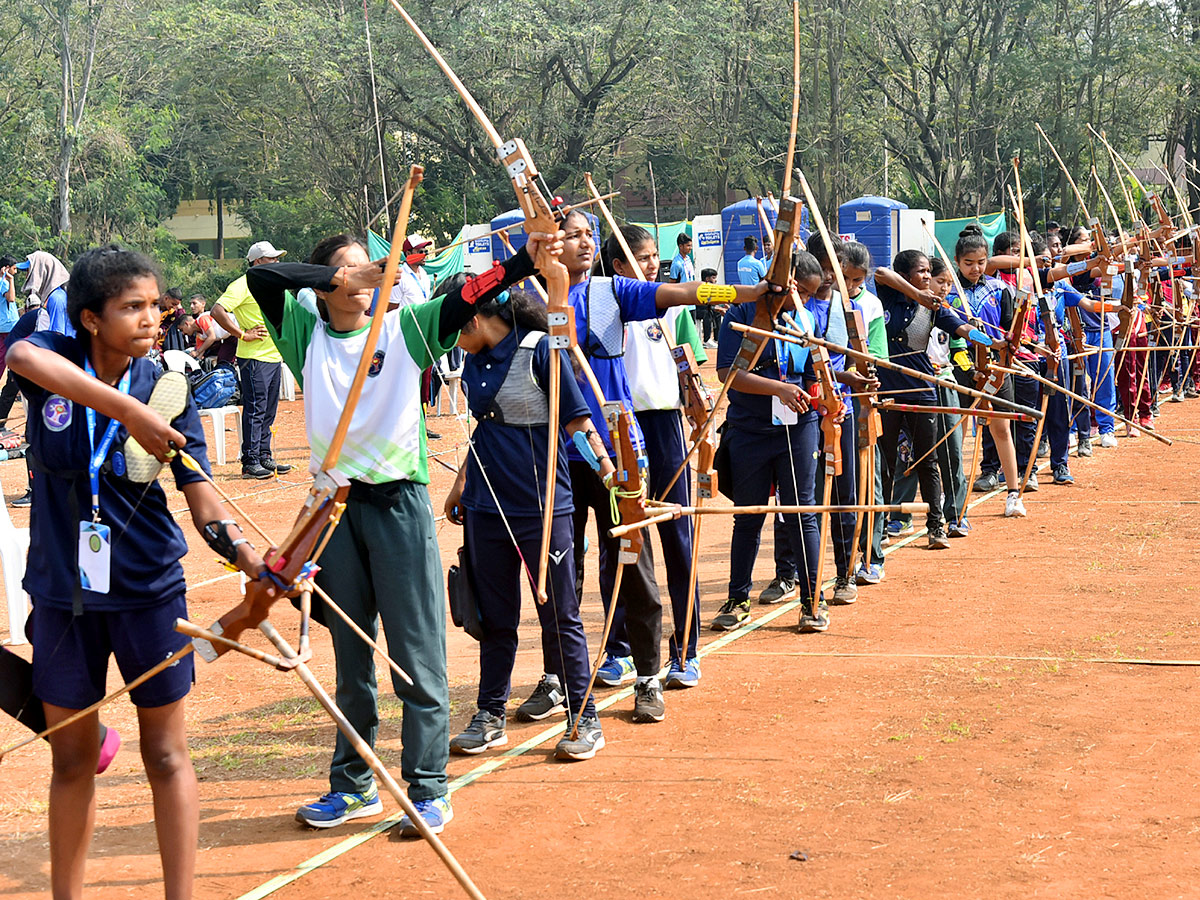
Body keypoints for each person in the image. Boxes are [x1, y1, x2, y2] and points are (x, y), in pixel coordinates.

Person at [245, 230, 560, 835]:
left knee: (416, 654)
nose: (368, 279)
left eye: (372, 268)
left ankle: (428, 789)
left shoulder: (403, 328)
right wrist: (339, 280)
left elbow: (470, 295)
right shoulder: (305, 333)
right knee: (350, 658)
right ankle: (354, 786)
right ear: (325, 285)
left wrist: (522, 261)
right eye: (350, 271)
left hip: (398, 504)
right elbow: (263, 276)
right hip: (333, 510)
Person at [7, 244, 270, 900]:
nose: (152, 318)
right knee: (71, 760)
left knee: (165, 754)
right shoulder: (57, 362)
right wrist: (126, 411)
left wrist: (245, 555)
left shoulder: (168, 386)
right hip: (64, 594)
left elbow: (201, 493)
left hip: (150, 589)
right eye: (133, 307)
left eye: (156, 304)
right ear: (91, 318)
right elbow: (19, 357)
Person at [555, 209, 768, 721]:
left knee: (652, 544)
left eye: (589, 235)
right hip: (559, 444)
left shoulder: (614, 293)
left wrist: (747, 295)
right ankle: (585, 664)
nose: (583, 243)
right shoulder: (532, 300)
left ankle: (673, 657)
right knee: (572, 560)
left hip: (624, 441)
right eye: (572, 236)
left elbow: (689, 294)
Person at [443, 281, 611, 761]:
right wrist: (461, 484)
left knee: (559, 614)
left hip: (542, 506)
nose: (449, 338)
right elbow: (486, 427)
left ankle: (584, 716)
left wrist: (607, 468)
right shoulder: (474, 358)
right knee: (494, 616)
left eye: (454, 326)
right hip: (485, 506)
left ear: (473, 320)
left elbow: (578, 424)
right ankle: (490, 714)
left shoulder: (540, 351)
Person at [603, 224, 707, 689]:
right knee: (623, 542)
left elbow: (687, 359)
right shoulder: (606, 304)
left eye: (653, 258)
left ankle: (685, 649)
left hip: (664, 425)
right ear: (619, 267)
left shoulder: (669, 305)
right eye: (641, 258)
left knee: (677, 537)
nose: (651, 265)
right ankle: (621, 648)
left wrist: (697, 402)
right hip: (621, 428)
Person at [711, 251, 825, 631]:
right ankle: (737, 598)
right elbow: (729, 372)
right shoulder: (743, 314)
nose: (804, 301)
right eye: (800, 292)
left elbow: (813, 373)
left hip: (797, 428)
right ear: (786, 283)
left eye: (809, 296)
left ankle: (812, 601)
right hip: (749, 429)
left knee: (800, 512)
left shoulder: (806, 320)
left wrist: (824, 392)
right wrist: (778, 388)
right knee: (748, 516)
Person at [945, 225, 1027, 518]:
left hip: (996, 367)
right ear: (957, 260)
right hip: (961, 365)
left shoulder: (999, 289)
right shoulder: (949, 292)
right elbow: (958, 331)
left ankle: (1013, 494)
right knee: (960, 429)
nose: (975, 268)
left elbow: (1009, 327)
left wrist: (1011, 342)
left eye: (981, 262)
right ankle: (952, 493)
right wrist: (985, 340)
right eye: (968, 263)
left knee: (1002, 427)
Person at [210, 241, 293, 479]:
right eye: (271, 259)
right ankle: (250, 461)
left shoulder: (273, 285)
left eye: (277, 258)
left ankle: (264, 456)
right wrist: (242, 334)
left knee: (268, 410)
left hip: (273, 356)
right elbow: (217, 310)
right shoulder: (242, 285)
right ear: (257, 262)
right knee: (256, 409)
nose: (276, 262)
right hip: (253, 358)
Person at [389, 234, 433, 308]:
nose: (424, 255)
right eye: (420, 252)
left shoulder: (423, 274)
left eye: (425, 251)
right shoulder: (399, 277)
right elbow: (391, 309)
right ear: (408, 253)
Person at [697, 267, 722, 348]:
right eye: (713, 278)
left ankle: (716, 339)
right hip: (698, 311)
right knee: (708, 314)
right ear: (707, 279)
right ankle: (706, 340)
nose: (715, 280)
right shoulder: (702, 288)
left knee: (717, 314)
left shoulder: (712, 288)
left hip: (708, 308)